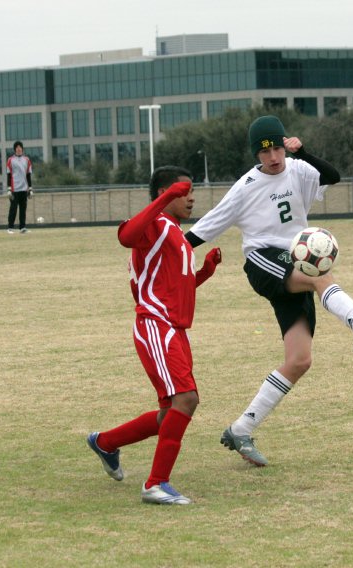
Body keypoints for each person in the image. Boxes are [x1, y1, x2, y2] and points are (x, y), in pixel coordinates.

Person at [183, 115, 353, 467]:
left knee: (299, 361)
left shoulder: (297, 168)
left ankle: (241, 429)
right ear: (256, 154)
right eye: (264, 151)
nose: (273, 157)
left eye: (277, 147)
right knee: (318, 274)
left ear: (285, 144)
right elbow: (203, 230)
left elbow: (332, 177)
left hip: (294, 259)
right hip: (264, 262)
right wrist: (157, 254)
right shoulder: (246, 187)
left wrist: (306, 152)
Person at [87, 167, 222, 505]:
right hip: (155, 325)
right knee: (186, 399)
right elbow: (125, 235)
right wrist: (164, 199)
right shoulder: (156, 225)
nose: (192, 198)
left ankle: (105, 442)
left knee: (169, 414)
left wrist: (204, 271)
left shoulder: (175, 233)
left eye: (192, 192)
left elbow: (176, 288)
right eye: (185, 191)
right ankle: (156, 484)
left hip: (173, 328)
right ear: (167, 191)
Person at [5, 141, 33, 233]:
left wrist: (30, 188)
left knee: (23, 209)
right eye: (17, 147)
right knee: (13, 208)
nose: (19, 149)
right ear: (14, 149)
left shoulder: (27, 160)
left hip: (24, 188)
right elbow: (8, 175)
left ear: (22, 149)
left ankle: (22, 227)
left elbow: (28, 174)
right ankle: (10, 228)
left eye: (20, 147)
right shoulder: (10, 160)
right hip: (14, 188)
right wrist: (9, 188)